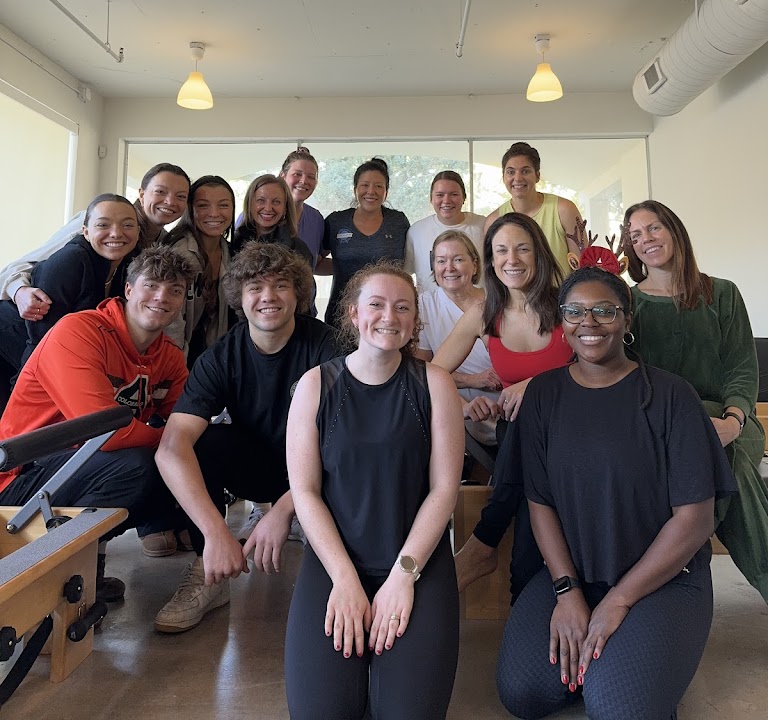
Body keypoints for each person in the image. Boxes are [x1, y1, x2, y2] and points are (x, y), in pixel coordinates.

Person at [496, 267, 736, 720]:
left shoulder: (671, 396)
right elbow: (540, 502)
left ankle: (621, 669)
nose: (588, 322)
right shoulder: (544, 395)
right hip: (574, 576)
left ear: (626, 319)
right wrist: (567, 592)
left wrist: (619, 600)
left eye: (604, 311)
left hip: (663, 580)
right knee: (523, 692)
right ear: (562, 321)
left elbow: (695, 520)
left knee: (619, 708)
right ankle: (604, 666)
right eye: (575, 311)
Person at [284, 262, 464, 720]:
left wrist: (403, 577)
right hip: (335, 561)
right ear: (353, 313)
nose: (390, 316)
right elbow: (304, 492)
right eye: (377, 305)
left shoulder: (434, 384)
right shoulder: (316, 385)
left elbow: (444, 490)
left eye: (403, 307)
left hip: (416, 561)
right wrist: (344, 579)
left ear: (415, 319)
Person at [153, 242, 339, 634]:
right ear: (240, 297)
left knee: (353, 448)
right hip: (260, 467)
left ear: (298, 294)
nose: (268, 296)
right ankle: (209, 569)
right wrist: (215, 533)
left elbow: (349, 441)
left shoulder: (329, 346)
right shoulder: (221, 357)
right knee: (202, 443)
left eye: (281, 285)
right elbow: (171, 448)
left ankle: (339, 562)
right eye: (256, 287)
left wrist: (284, 511)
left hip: (322, 469)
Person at [0, 246, 195, 601]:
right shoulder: (78, 332)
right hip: (20, 475)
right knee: (138, 466)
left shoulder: (167, 355)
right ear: (129, 289)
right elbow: (104, 434)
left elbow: (188, 418)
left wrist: (182, 437)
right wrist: (168, 438)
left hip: (80, 468)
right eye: (152, 285)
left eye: (175, 290)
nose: (162, 297)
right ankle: (45, 573)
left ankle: (84, 563)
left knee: (183, 464)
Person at [623, 199, 768, 602]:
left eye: (653, 228)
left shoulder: (722, 293)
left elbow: (742, 368)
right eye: (636, 235)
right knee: (722, 460)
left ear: (674, 230)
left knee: (725, 452)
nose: (646, 239)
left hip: (733, 423)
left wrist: (734, 421)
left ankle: (663, 579)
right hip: (664, 429)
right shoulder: (628, 305)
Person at [435, 214, 573, 600]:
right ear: (491, 261)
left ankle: (482, 545)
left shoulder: (568, 304)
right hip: (521, 436)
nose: (512, 259)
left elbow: (601, 364)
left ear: (539, 254)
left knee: (525, 428)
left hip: (574, 426)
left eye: (522, 248)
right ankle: (520, 594)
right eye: (501, 251)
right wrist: (464, 405)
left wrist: (537, 385)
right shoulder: (484, 314)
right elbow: (432, 375)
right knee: (528, 475)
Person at [0, 162, 190, 325]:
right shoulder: (97, 220)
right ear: (142, 193)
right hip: (24, 324)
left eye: (181, 196)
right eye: (160, 192)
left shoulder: (163, 243)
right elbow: (20, 266)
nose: (170, 201)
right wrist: (19, 292)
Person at [0, 195, 141, 379]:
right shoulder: (70, 261)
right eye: (103, 225)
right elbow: (40, 346)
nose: (116, 233)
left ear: (138, 231)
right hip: (14, 333)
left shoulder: (130, 263)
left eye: (127, 225)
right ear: (85, 232)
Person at [414, 230, 501, 444]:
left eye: (458, 260)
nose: (449, 268)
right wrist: (474, 380)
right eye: (441, 261)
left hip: (511, 402)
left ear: (475, 265)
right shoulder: (425, 305)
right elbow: (420, 372)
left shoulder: (498, 300)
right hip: (463, 411)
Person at [319, 157, 410, 326]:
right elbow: (316, 263)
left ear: (386, 191)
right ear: (355, 189)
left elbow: (408, 263)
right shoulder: (336, 221)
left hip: (387, 314)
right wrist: (342, 266)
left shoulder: (398, 221)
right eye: (365, 185)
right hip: (342, 315)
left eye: (378, 186)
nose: (371, 191)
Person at [162, 175, 236, 366]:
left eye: (223, 205)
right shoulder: (178, 253)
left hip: (211, 357)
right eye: (203, 205)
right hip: (177, 358)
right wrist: (175, 368)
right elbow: (169, 319)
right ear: (190, 209)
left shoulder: (230, 252)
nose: (214, 213)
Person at [483, 142, 582, 276]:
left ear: (537, 175)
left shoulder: (564, 210)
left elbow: (582, 266)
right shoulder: (493, 221)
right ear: (504, 177)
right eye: (511, 172)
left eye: (525, 171)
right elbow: (492, 272)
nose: (518, 178)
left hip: (560, 290)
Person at [404, 170, 485, 292]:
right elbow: (407, 273)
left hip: (479, 302)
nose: (446, 201)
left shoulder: (484, 226)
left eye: (454, 194)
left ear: (464, 197)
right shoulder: (416, 231)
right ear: (431, 199)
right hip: (430, 303)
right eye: (440, 195)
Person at [232, 173, 313, 267]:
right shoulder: (235, 243)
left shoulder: (298, 251)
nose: (268, 208)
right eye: (261, 200)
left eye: (276, 202)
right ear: (249, 204)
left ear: (285, 208)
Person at [280, 147, 325, 266]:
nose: (304, 181)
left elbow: (317, 263)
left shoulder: (316, 219)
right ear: (282, 176)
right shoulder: (261, 214)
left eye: (311, 177)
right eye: (297, 174)